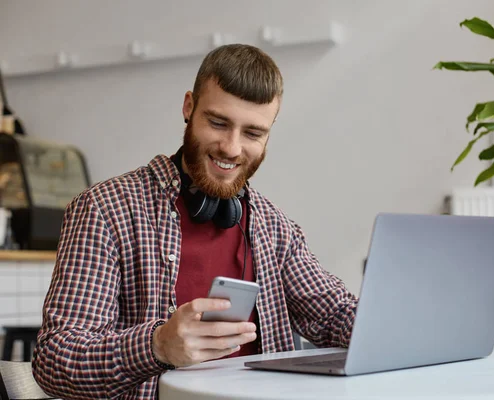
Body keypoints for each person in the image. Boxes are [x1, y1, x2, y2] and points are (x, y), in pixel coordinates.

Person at [32, 44, 358, 400]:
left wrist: (399, 326)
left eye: (253, 134)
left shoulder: (274, 226)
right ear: (189, 107)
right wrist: (157, 346)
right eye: (218, 123)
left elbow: (334, 314)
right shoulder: (105, 210)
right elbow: (55, 361)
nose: (232, 148)